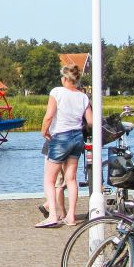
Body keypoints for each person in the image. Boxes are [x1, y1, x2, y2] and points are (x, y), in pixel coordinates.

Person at [37, 63, 92, 228]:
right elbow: (90, 121)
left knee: (49, 179)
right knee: (71, 179)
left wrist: (44, 131)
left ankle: (53, 215)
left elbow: (49, 116)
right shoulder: (83, 97)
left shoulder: (57, 92)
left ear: (65, 78)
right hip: (77, 138)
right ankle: (71, 217)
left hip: (60, 136)